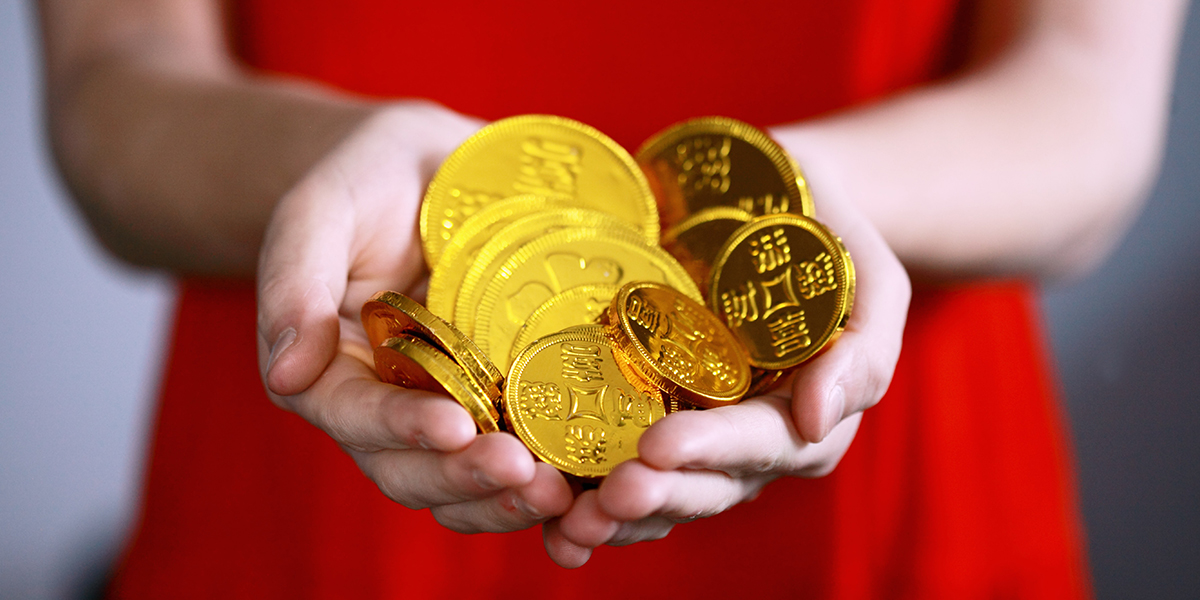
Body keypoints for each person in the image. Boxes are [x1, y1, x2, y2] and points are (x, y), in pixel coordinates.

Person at [38, 0, 1187, 597]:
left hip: (889, 504)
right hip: (324, 469)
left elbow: (1089, 98)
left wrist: (792, 205)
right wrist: (337, 165)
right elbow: (110, 80)